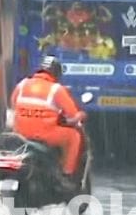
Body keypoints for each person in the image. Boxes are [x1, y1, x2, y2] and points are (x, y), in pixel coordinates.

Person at [10, 55, 86, 185]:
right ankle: (67, 175)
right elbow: (72, 116)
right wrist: (81, 116)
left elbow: (13, 105)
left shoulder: (22, 85)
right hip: (45, 135)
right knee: (74, 137)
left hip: (20, 134)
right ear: (56, 74)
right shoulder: (56, 89)